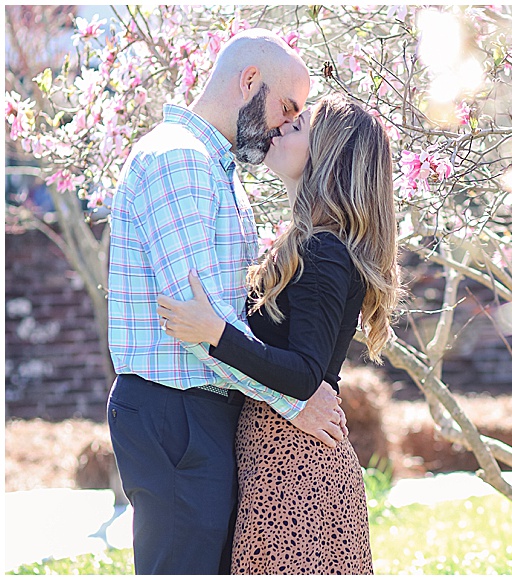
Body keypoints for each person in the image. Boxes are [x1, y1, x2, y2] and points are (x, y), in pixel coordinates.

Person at [106, 29, 347, 575]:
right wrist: (296, 401)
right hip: (179, 413)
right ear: (249, 82)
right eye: (286, 107)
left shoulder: (215, 169)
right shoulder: (180, 161)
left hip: (198, 413)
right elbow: (197, 321)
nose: (287, 124)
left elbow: (220, 321)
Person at [157, 94, 401, 574]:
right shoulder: (307, 245)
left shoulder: (324, 251)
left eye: (299, 123)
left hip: (296, 472)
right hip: (282, 464)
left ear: (328, 152)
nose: (283, 125)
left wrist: (215, 332)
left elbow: (306, 373)